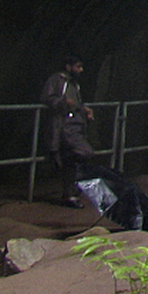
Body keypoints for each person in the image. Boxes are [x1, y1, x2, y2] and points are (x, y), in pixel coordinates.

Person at [41, 56, 94, 204]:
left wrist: (83, 109)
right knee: (80, 154)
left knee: (74, 158)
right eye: (78, 66)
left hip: (75, 125)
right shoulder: (56, 80)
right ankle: (71, 190)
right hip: (63, 126)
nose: (81, 70)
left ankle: (71, 190)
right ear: (68, 66)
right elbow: (48, 98)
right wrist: (63, 102)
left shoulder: (74, 85)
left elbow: (76, 104)